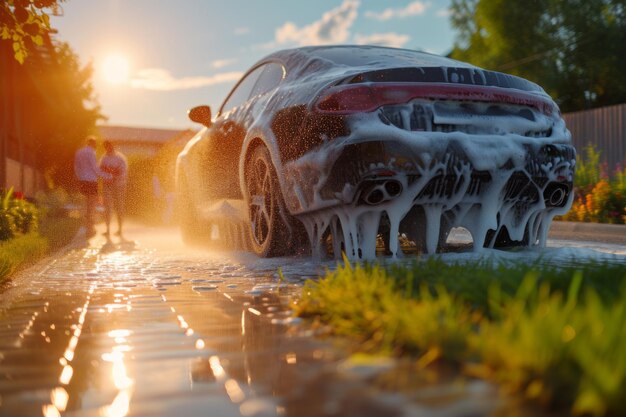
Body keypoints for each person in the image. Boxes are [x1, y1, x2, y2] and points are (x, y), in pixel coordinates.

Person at [74, 136, 112, 238]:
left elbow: (76, 168)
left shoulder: (79, 152)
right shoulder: (91, 152)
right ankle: (90, 229)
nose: (96, 146)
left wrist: (80, 178)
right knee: (92, 205)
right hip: (91, 181)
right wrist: (107, 176)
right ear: (93, 143)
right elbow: (95, 168)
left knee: (85, 204)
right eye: (96, 144)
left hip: (82, 181)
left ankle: (87, 226)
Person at [99, 141, 128, 238]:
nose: (108, 149)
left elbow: (123, 172)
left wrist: (113, 175)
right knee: (107, 206)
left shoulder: (120, 158)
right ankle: (107, 229)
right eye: (106, 147)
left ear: (112, 146)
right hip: (108, 185)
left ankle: (120, 229)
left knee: (119, 206)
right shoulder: (104, 158)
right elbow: (100, 170)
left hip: (119, 185)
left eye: (109, 146)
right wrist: (107, 176)